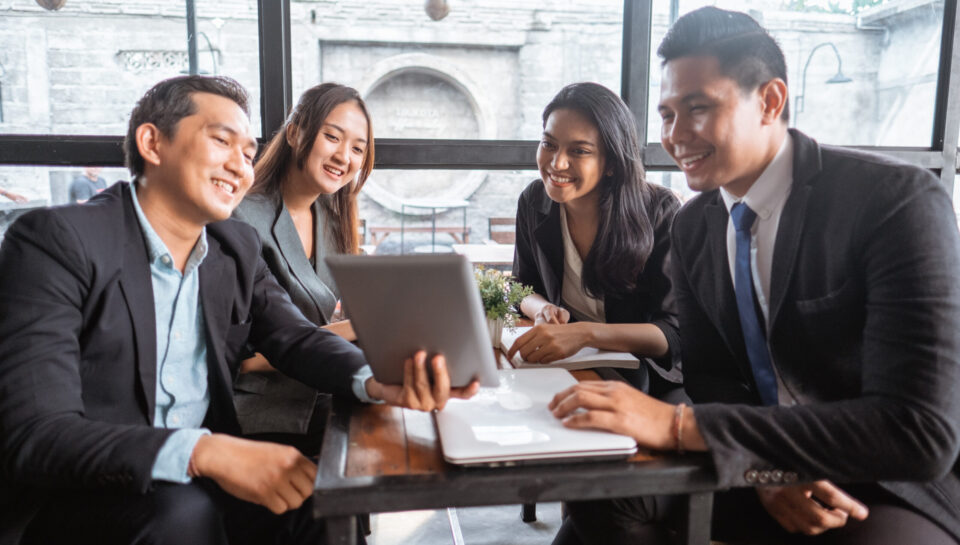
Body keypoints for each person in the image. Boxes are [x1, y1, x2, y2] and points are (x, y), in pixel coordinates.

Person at [0, 75, 477, 545]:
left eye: (248, 153)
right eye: (221, 141)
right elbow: (38, 435)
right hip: (88, 490)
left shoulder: (234, 245)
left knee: (324, 502)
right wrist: (206, 451)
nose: (240, 166)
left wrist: (376, 379)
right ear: (152, 142)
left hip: (201, 479)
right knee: (183, 514)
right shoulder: (56, 241)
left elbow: (296, 337)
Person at [549, 7, 960, 545]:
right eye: (667, 114)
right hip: (757, 454)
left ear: (769, 101)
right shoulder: (695, 225)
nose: (675, 135)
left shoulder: (893, 201)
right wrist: (761, 467)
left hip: (887, 481)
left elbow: (918, 431)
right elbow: (710, 376)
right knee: (598, 501)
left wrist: (683, 427)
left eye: (697, 108)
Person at [508, 82, 682, 397]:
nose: (557, 163)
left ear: (612, 163)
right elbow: (520, 287)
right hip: (572, 365)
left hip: (648, 379)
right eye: (549, 144)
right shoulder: (534, 201)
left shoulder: (659, 210)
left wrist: (585, 334)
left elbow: (673, 332)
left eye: (579, 151)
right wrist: (542, 309)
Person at [231, 83, 372, 449]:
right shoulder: (243, 219)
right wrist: (358, 328)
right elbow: (246, 361)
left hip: (322, 391)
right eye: (332, 137)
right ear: (295, 133)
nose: (345, 156)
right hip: (265, 411)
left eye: (358, 148)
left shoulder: (330, 214)